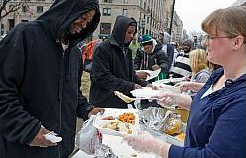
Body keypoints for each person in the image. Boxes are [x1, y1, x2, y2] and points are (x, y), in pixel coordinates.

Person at [124, 6, 246, 158]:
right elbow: (206, 104)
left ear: (237, 42)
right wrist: (174, 98)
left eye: (211, 37)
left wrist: (154, 146)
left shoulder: (241, 100)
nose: (204, 42)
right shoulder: (219, 74)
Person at [0, 0, 104, 158]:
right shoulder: (25, 35)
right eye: (82, 18)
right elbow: (3, 92)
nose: (84, 25)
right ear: (68, 8)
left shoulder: (75, 53)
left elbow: (72, 93)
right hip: (23, 148)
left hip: (60, 149)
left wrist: (87, 110)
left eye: (88, 21)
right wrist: (27, 130)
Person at [89, 15, 149, 109]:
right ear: (120, 30)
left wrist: (146, 85)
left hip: (121, 102)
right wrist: (131, 86)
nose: (131, 36)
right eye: (129, 32)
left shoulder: (127, 51)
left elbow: (131, 77)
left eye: (133, 33)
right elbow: (103, 77)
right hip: (103, 103)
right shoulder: (103, 48)